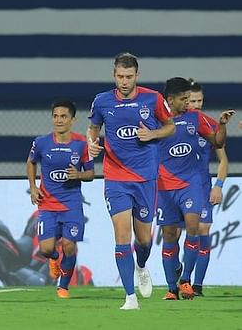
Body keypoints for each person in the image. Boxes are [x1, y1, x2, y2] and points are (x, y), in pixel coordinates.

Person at [87, 52, 175, 310]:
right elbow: (93, 128)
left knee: (144, 240)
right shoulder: (102, 101)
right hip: (115, 177)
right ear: (113, 75)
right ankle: (129, 298)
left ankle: (142, 265)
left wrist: (153, 133)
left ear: (137, 75)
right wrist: (92, 144)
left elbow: (170, 126)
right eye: (119, 76)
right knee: (121, 235)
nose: (124, 81)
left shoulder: (153, 98)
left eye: (129, 76)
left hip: (146, 177)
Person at [156, 77, 234, 301]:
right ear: (171, 100)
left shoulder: (197, 119)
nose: (191, 103)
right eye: (187, 99)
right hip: (164, 187)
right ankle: (172, 288)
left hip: (194, 185)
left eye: (194, 99)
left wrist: (221, 124)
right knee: (170, 234)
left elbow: (218, 145)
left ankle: (188, 282)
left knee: (197, 228)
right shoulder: (155, 120)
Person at [26, 100, 94, 298]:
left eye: (63, 116)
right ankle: (54, 258)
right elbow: (31, 163)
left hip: (71, 204)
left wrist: (78, 175)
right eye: (55, 116)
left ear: (72, 120)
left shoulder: (81, 144)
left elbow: (90, 173)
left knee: (69, 245)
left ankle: (63, 286)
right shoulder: (41, 142)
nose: (59, 120)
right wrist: (32, 187)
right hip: (47, 204)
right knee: (46, 249)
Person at [188, 79, 228, 297]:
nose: (196, 104)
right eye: (192, 100)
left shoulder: (212, 125)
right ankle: (178, 278)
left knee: (203, 231)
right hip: (176, 187)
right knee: (173, 234)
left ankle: (198, 285)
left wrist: (219, 186)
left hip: (203, 187)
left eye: (199, 100)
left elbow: (223, 161)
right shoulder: (172, 124)